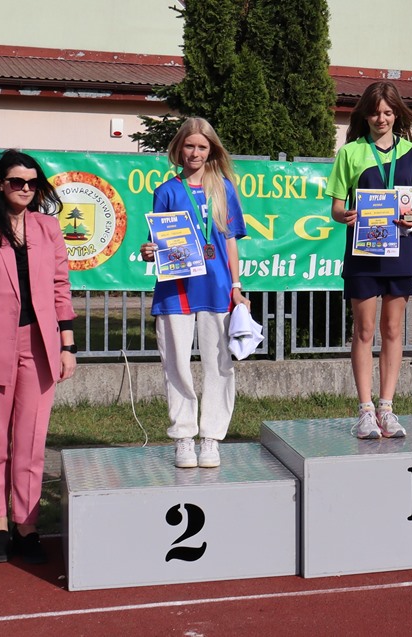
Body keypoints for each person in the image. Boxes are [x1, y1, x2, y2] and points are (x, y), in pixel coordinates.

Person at [0, 149, 76, 563]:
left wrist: (67, 345)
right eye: (17, 181)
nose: (25, 188)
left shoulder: (48, 227)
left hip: (40, 345)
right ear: (0, 184)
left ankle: (27, 526)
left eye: (32, 182)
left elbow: (60, 288)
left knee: (31, 442)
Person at [139, 117, 250, 469]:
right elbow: (159, 241)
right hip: (176, 289)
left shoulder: (224, 189)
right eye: (189, 145)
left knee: (219, 364)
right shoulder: (166, 191)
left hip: (217, 287)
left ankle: (211, 437)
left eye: (202, 147)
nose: (195, 153)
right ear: (179, 148)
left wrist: (236, 286)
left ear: (211, 150)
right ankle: (184, 436)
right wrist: (149, 251)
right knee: (176, 364)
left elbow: (230, 241)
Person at [327, 80, 412, 439]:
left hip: (400, 250)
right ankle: (365, 411)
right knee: (364, 330)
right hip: (363, 252)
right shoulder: (350, 152)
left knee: (392, 330)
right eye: (374, 113)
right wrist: (346, 216)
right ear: (365, 115)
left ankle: (387, 408)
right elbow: (336, 208)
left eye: (387, 112)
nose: (381, 118)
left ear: (397, 114)